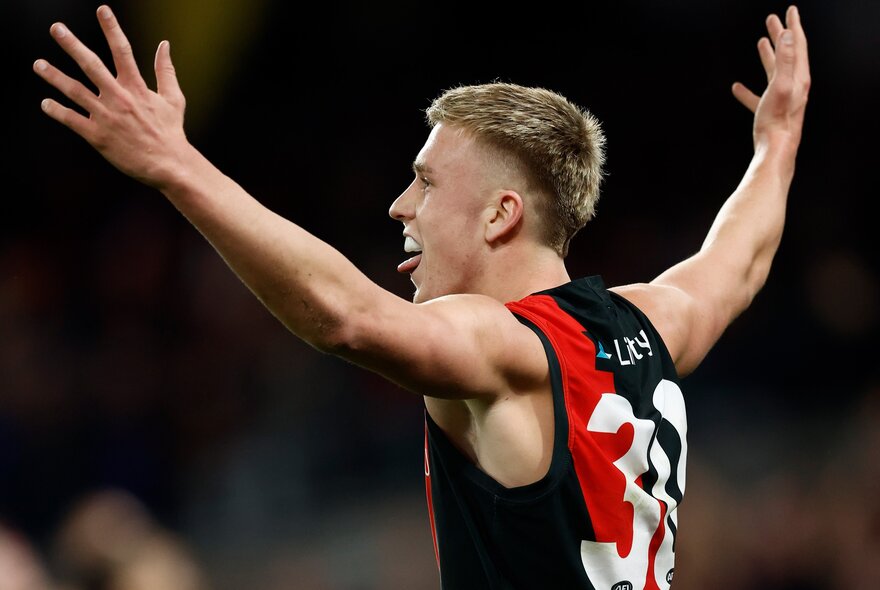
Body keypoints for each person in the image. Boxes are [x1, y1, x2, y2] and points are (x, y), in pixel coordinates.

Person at [32, 4, 810, 589]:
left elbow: (346, 318)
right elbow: (736, 263)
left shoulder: (503, 344)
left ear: (501, 215)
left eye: (427, 183)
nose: (401, 206)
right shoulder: (652, 323)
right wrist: (776, 146)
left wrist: (176, 166)